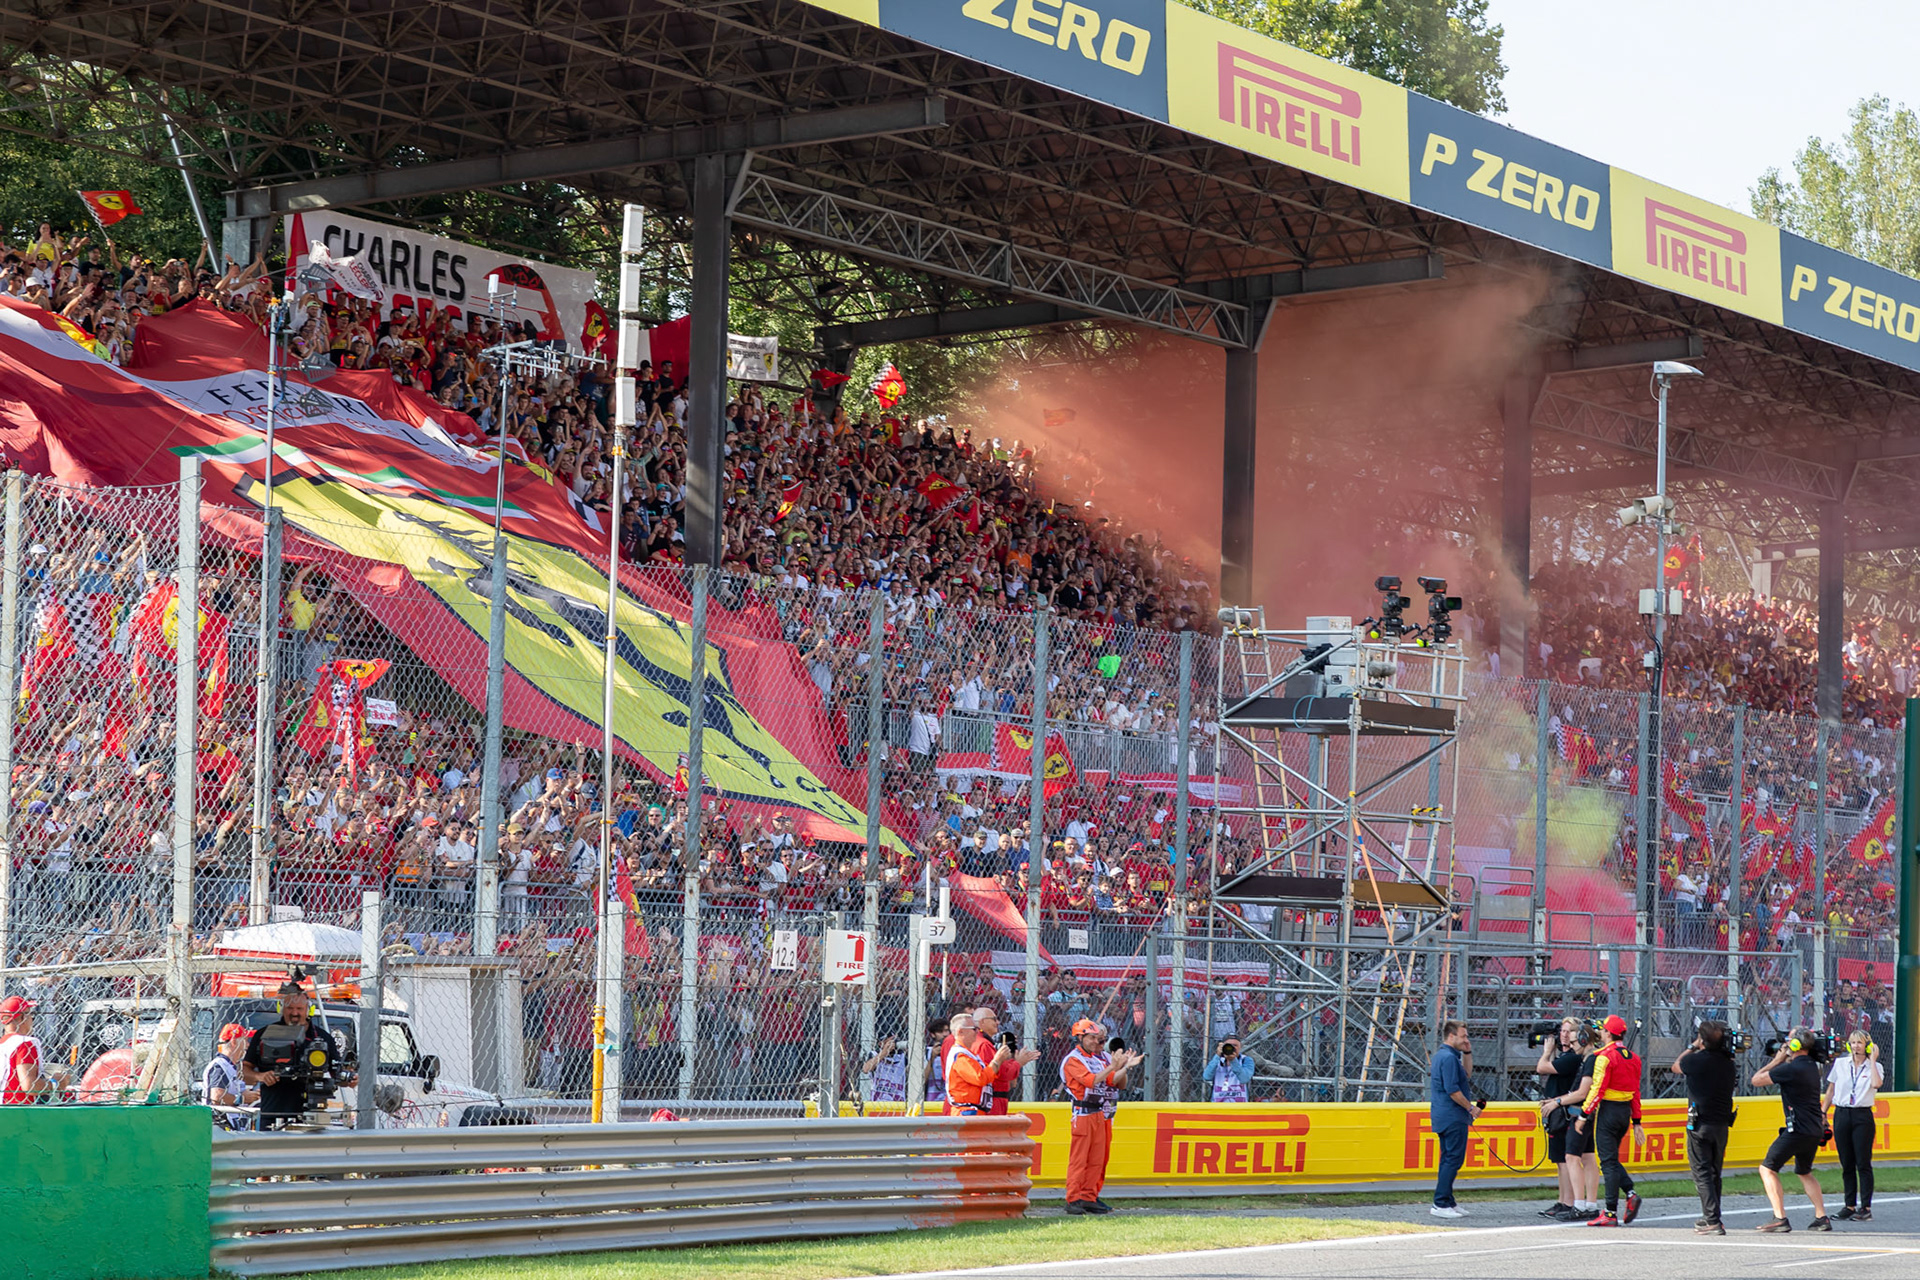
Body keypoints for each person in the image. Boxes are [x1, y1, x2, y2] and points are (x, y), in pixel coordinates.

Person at [1751, 1029, 1831, 1233]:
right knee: (1804, 1171)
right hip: (1814, 1128)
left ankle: (1780, 1217)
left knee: (1767, 1168)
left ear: (1795, 1046)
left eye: (1789, 1042)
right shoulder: (1812, 1066)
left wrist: (1777, 1060)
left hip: (1798, 1129)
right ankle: (1821, 1217)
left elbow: (1756, 1080)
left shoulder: (1790, 1069)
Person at [241, 980, 351, 1129]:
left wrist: (349, 1078)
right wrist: (260, 1076)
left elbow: (336, 1074)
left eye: (299, 1008)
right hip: (273, 1113)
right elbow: (244, 1070)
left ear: (308, 1010)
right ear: (282, 1008)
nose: (294, 1013)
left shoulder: (323, 1038)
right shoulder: (264, 1035)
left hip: (311, 1115)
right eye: (290, 1008)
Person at [1061, 1017, 1139, 1215]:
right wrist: (1114, 1066)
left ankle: (1088, 1196)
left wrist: (1124, 1067)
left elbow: (1115, 1081)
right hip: (1083, 1112)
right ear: (1080, 1038)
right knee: (1080, 1159)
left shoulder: (1097, 1058)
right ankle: (1073, 1198)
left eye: (1098, 1038)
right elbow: (1092, 1081)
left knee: (1097, 1159)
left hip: (1099, 1112)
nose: (1096, 1042)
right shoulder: (1074, 1060)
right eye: (1092, 1038)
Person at [1575, 1014, 1644, 1227]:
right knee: (1611, 1159)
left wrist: (1584, 1115)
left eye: (1603, 1030)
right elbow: (1635, 1092)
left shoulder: (1603, 1056)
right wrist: (1637, 1122)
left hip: (1608, 1111)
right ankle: (1630, 1193)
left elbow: (1597, 1089)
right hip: (1624, 1114)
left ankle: (1610, 1212)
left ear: (1607, 1033)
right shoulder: (1633, 1057)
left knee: (1607, 1162)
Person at [1672, 1020, 1739, 1234]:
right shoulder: (1728, 1063)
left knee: (1701, 1172)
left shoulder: (1695, 1061)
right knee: (1714, 1172)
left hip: (1700, 1123)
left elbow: (1676, 1066)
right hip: (1721, 1124)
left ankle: (1712, 1219)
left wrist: (1693, 1046)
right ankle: (1713, 1215)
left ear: (1702, 1040)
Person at [1821, 1030, 1882, 1221]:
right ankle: (1849, 1205)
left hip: (1862, 1115)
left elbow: (1877, 1083)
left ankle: (1865, 1207)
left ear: (1867, 1046)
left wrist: (1872, 1060)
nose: (1856, 1046)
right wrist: (1823, 1113)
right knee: (1846, 1162)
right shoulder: (1840, 1064)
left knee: (1862, 1162)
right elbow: (1831, 1090)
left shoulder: (1875, 1066)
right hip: (1842, 1113)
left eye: (1860, 1043)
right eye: (1853, 1042)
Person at [1428, 1020, 1479, 1219]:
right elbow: (1453, 1090)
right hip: (1452, 1115)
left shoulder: (1448, 1056)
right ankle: (1440, 1202)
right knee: (1452, 1159)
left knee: (1448, 1158)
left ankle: (1447, 1200)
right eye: (1463, 1036)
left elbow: (1466, 1075)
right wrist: (1470, 1108)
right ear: (1452, 1036)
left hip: (1447, 1115)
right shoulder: (1447, 1058)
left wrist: (1467, 1052)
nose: (1466, 1039)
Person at [1534, 1017, 1583, 1220]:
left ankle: (1569, 1201)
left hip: (1563, 1112)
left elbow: (1541, 1068)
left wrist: (1547, 1052)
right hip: (1554, 1110)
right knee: (1559, 1161)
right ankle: (1563, 1200)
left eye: (1568, 1031)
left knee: (1564, 1160)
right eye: (1562, 1031)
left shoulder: (1572, 1057)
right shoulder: (1564, 1056)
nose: (1564, 1035)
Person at [943, 1012, 1010, 1117]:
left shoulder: (967, 1054)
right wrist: (997, 1060)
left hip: (973, 1110)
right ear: (961, 1032)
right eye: (974, 1029)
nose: (977, 1032)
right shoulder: (960, 1056)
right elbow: (980, 1078)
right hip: (966, 1112)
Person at [204, 1022, 259, 1130]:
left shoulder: (230, 1066)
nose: (248, 1045)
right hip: (221, 1126)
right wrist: (242, 1098)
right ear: (234, 1042)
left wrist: (252, 1096)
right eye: (245, 1040)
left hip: (231, 1126)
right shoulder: (219, 1066)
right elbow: (216, 1096)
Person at [0, 994, 45, 1104]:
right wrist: (56, 1083)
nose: (32, 1019)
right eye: (30, 1015)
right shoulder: (25, 1043)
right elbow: (29, 1086)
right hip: (20, 1110)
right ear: (22, 1017)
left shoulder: (3, 1043)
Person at [1202, 1037, 1254, 1103]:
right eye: (1228, 1045)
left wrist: (1233, 1061)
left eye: (1235, 1045)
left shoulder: (1246, 1060)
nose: (1231, 1048)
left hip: (1240, 1106)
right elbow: (1206, 1077)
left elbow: (1244, 1079)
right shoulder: (1217, 1060)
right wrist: (1217, 1055)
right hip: (1218, 1105)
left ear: (1240, 1047)